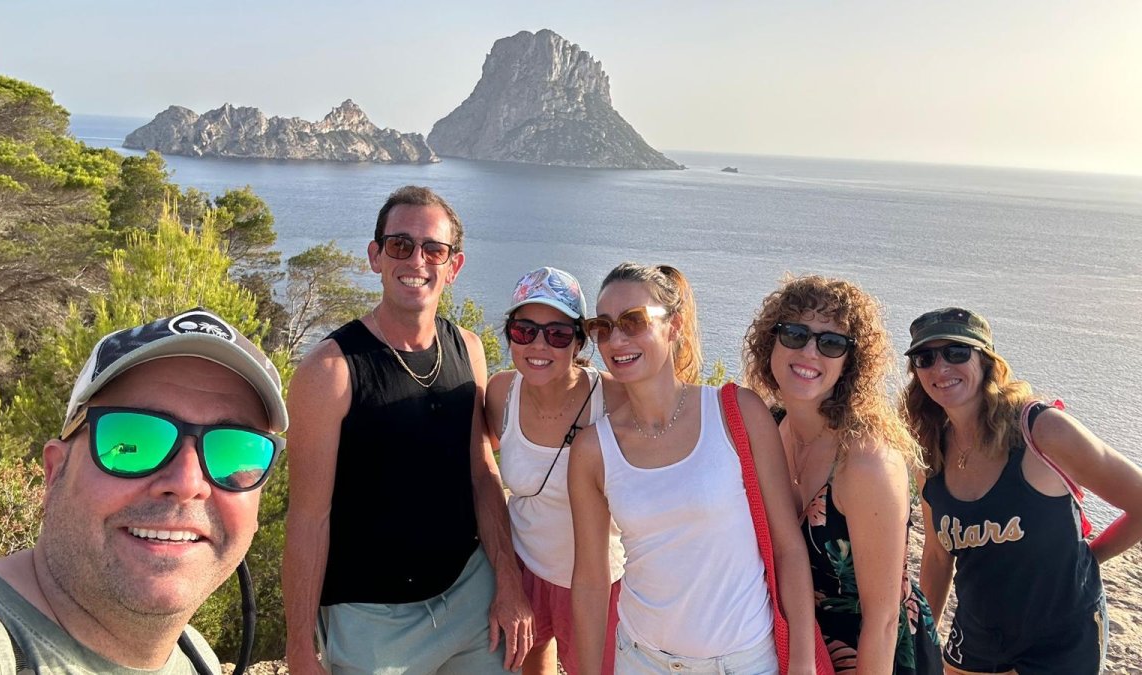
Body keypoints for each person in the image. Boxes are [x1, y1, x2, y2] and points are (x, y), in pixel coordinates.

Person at [0, 307, 289, 674]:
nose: (187, 483)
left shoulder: (194, 653)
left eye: (235, 450)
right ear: (54, 471)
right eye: (133, 438)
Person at [283, 185, 533, 675]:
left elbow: (483, 474)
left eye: (433, 249)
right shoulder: (330, 371)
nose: (416, 259)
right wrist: (298, 649)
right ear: (376, 256)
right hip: (373, 623)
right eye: (400, 245)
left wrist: (508, 582)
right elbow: (308, 518)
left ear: (453, 266)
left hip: (471, 597)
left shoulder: (467, 348)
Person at [569, 262, 817, 675]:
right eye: (603, 325)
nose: (616, 339)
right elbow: (591, 580)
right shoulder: (594, 449)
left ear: (675, 325)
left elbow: (788, 548)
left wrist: (803, 663)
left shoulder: (737, 412)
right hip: (641, 659)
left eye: (634, 321)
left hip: (745, 662)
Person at [903, 307, 1142, 674]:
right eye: (925, 357)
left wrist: (1092, 558)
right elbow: (937, 556)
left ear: (986, 361)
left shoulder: (1042, 430)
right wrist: (926, 644)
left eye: (956, 352)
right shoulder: (929, 453)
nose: (940, 367)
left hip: (1061, 640)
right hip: (976, 640)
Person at [742, 275, 942, 674]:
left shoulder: (866, 462)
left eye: (831, 343)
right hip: (798, 647)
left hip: (872, 656)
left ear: (851, 362)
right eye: (795, 334)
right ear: (771, 343)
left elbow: (883, 621)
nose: (810, 352)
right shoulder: (769, 430)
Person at [485, 267, 628, 675]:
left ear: (580, 341)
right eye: (525, 330)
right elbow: (482, 468)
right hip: (524, 572)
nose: (539, 345)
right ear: (510, 334)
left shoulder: (614, 400)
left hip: (600, 582)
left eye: (559, 334)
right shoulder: (500, 393)